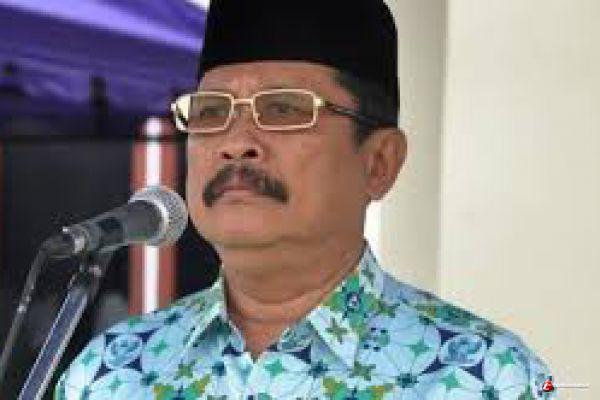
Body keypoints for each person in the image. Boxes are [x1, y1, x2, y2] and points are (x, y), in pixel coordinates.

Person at [55, 0, 556, 398]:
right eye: (211, 112)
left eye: (283, 109)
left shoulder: (487, 376)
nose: (235, 142)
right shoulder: (110, 374)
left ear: (379, 163)